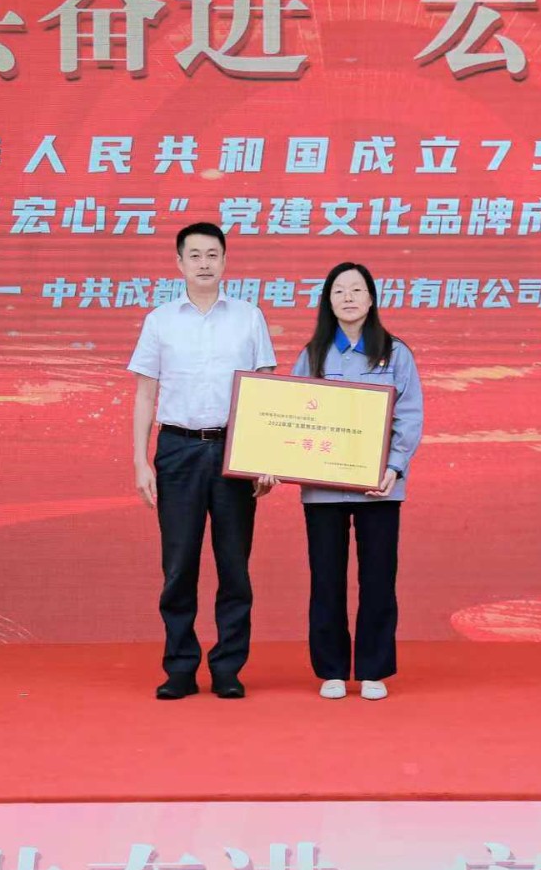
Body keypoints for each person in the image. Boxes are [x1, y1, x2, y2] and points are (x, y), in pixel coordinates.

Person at [128, 222, 276, 700]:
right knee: (178, 566)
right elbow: (145, 393)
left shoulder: (249, 317)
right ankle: (180, 667)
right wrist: (140, 461)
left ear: (225, 260)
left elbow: (267, 392)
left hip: (235, 450)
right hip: (177, 448)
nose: (204, 263)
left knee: (234, 566)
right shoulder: (160, 321)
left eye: (213, 254)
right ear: (179, 263)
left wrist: (266, 456)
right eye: (194, 255)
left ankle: (228, 668)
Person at [284, 262, 423, 701]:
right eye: (339, 290)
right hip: (322, 489)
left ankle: (372, 669)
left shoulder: (395, 353)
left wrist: (393, 467)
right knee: (326, 580)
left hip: (379, 487)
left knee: (378, 579)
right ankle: (331, 670)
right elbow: (291, 414)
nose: (348, 297)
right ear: (328, 301)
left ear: (371, 298)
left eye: (357, 289)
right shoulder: (312, 355)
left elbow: (409, 416)